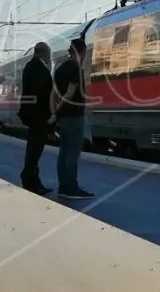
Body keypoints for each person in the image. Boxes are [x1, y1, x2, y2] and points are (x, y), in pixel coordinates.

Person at [50, 38, 93, 200]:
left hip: (63, 118)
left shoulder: (60, 69)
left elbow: (54, 94)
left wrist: (55, 113)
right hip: (74, 116)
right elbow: (69, 92)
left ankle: (63, 186)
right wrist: (59, 110)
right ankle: (71, 187)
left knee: (64, 151)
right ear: (82, 52)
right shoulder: (75, 69)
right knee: (73, 152)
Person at [17, 42, 55, 193]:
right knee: (34, 149)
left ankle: (32, 180)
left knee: (34, 148)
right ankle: (30, 180)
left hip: (34, 114)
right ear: (44, 53)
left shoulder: (31, 66)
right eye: (49, 54)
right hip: (37, 115)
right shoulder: (36, 67)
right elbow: (40, 90)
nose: (49, 57)